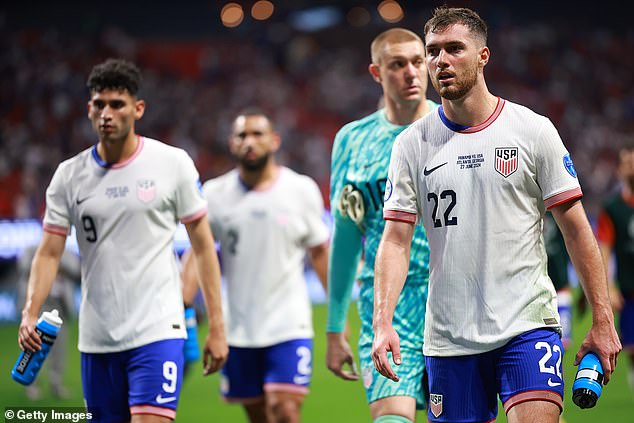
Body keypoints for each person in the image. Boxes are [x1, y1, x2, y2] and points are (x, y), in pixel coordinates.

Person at [371, 7, 621, 423]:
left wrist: (601, 317)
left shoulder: (532, 130)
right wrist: (383, 322)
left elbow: (577, 230)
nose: (440, 61)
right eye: (433, 51)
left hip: (526, 325)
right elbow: (395, 241)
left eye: (454, 49)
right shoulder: (411, 145)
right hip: (449, 336)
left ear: (483, 56)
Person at [17, 58, 228, 422]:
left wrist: (219, 328)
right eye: (99, 104)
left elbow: (204, 245)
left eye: (117, 104)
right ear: (88, 109)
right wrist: (30, 311)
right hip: (97, 338)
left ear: (138, 108)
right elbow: (49, 252)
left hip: (158, 330)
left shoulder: (172, 164)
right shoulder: (68, 176)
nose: (107, 113)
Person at [182, 108, 329, 423]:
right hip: (238, 328)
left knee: (286, 410)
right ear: (232, 144)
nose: (249, 141)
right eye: (241, 135)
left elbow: (319, 251)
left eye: (257, 134)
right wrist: (183, 304)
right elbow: (198, 250)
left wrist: (338, 314)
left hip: (289, 323)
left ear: (275, 141)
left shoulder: (300, 190)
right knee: (259, 415)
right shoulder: (214, 195)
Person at [326, 27, 438, 423]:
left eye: (417, 61)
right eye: (397, 64)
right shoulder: (352, 141)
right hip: (387, 305)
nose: (411, 72)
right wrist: (334, 327)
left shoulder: (452, 128)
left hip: (452, 300)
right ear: (376, 73)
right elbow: (344, 236)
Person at [17, 244, 78, 400]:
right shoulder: (33, 250)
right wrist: (46, 264)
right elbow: (23, 269)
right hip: (39, 305)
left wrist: (60, 265)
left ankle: (56, 384)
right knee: (32, 346)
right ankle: (30, 385)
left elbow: (78, 273)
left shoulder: (69, 254)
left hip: (60, 305)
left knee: (59, 350)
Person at [596, 144, 634, 396]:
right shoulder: (612, 209)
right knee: (631, 348)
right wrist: (608, 288)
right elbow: (604, 250)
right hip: (629, 289)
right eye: (627, 163)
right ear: (619, 169)